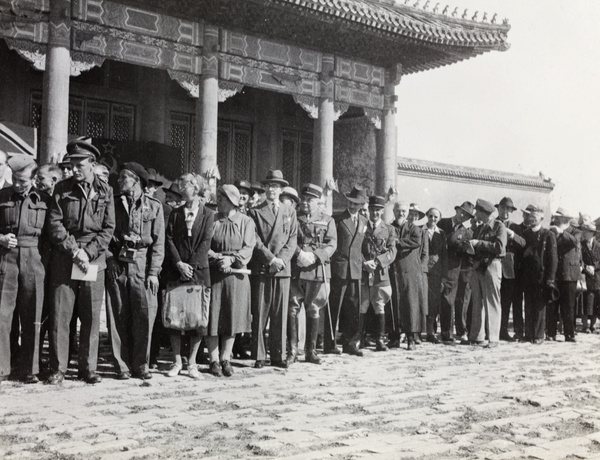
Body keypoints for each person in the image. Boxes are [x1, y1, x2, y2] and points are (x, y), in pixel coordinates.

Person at [46, 139, 116, 384]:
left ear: (92, 164)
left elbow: (108, 228)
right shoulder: (61, 189)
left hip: (93, 258)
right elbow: (54, 225)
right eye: (71, 164)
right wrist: (75, 251)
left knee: (90, 317)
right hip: (66, 257)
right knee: (60, 316)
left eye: (79, 164)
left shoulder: (106, 191)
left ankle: (88, 368)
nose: (74, 169)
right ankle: (58, 369)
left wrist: (88, 253)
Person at [105, 163, 165, 380]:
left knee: (144, 315)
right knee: (117, 314)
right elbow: (105, 235)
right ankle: (121, 365)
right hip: (118, 265)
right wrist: (110, 259)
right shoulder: (112, 204)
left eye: (123, 178)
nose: (119, 182)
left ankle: (141, 364)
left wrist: (153, 272)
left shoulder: (154, 206)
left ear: (136, 180)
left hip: (143, 265)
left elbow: (158, 244)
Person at [0, 156, 50, 384]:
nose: (17, 184)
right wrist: (0, 238)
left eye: (22, 180)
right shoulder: (2, 196)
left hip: (34, 260)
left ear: (32, 179)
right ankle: (3, 367)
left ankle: (30, 369)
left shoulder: (46, 200)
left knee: (32, 316)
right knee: (3, 316)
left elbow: (51, 235)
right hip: (6, 260)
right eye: (14, 179)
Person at [163, 173, 214, 378]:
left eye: (185, 185)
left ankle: (192, 362)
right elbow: (169, 239)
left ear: (196, 188)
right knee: (174, 317)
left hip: (199, 272)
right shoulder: (175, 214)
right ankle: (176, 361)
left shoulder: (208, 214)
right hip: (176, 271)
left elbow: (206, 241)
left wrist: (190, 266)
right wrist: (178, 264)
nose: (182, 189)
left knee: (197, 318)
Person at [248, 170, 297, 368]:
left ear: (281, 189)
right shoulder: (255, 211)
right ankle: (259, 355)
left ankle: (278, 355)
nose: (271, 190)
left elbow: (292, 239)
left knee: (280, 313)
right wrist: (270, 259)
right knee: (260, 312)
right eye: (268, 186)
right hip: (263, 266)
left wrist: (282, 260)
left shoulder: (289, 211)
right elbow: (255, 240)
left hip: (282, 269)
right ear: (264, 189)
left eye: (275, 186)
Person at [206, 185, 256, 377]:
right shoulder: (211, 219)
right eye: (218, 197)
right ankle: (213, 359)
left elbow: (248, 247)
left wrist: (232, 259)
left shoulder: (246, 222)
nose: (219, 201)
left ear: (234, 202)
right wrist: (218, 258)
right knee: (213, 316)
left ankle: (226, 357)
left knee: (231, 317)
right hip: (215, 273)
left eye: (223, 198)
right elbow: (204, 244)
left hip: (236, 275)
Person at [287, 183, 336, 366]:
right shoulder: (294, 217)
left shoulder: (327, 220)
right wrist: (299, 253)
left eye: (310, 200)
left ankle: (311, 350)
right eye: (304, 199)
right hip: (296, 268)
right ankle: (292, 350)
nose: (306, 203)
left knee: (314, 308)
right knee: (292, 307)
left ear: (318, 201)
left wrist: (315, 256)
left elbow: (332, 244)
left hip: (316, 270)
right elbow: (289, 238)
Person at [326, 185, 368, 356]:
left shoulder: (364, 222)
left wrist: (366, 262)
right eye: (350, 202)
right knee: (334, 307)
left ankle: (350, 343)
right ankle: (330, 344)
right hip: (340, 269)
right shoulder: (337, 219)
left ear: (361, 205)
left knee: (353, 308)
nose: (352, 206)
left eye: (356, 204)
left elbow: (362, 248)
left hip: (356, 270)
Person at [466, 199, 507, 348]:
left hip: (492, 266)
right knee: (477, 302)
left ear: (485, 213)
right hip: (478, 266)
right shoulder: (481, 228)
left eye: (478, 212)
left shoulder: (499, 226)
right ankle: (477, 336)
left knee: (492, 302)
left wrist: (478, 243)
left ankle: (494, 338)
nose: (476, 214)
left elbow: (500, 248)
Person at [360, 196, 396, 351]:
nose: (374, 213)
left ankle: (379, 339)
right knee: (362, 304)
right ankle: (359, 339)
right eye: (372, 209)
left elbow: (392, 250)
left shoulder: (389, 229)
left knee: (379, 305)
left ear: (382, 211)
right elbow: (356, 248)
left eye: (377, 210)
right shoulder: (361, 226)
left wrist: (378, 262)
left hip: (380, 273)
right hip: (364, 271)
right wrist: (363, 262)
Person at [438, 201, 475, 344]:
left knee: (448, 300)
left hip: (453, 269)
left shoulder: (465, 232)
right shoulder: (442, 223)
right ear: (457, 210)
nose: (463, 216)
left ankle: (447, 333)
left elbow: (465, 253)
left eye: (466, 216)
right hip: (437, 267)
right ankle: (431, 330)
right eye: (462, 212)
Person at [521, 204, 557, 344]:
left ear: (542, 218)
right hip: (528, 276)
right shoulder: (526, 234)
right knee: (528, 305)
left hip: (541, 277)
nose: (533, 219)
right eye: (531, 216)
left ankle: (538, 335)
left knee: (540, 307)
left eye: (536, 216)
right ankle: (528, 333)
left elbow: (553, 259)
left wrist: (550, 278)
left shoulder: (548, 235)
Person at [391, 202, 424, 350]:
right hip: (393, 271)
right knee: (394, 304)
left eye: (404, 211)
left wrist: (398, 242)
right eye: (398, 211)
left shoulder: (414, 228)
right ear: (393, 211)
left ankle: (411, 337)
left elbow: (416, 242)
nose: (401, 214)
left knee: (410, 304)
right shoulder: (389, 227)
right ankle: (394, 337)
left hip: (410, 272)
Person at [494, 197, 526, 341]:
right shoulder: (492, 224)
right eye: (503, 209)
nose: (505, 212)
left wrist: (511, 234)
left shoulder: (515, 227)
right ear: (498, 209)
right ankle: (495, 331)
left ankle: (510, 331)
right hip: (493, 266)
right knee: (495, 301)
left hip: (510, 269)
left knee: (509, 301)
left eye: (508, 210)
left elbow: (523, 244)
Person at [548, 208, 580, 342]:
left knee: (568, 306)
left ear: (564, 219)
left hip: (569, 274)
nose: (555, 219)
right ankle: (551, 333)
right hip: (555, 272)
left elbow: (574, 242)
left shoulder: (575, 231)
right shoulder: (551, 231)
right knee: (552, 304)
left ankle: (569, 334)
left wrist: (561, 232)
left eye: (558, 217)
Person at [425, 208, 446, 343]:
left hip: (436, 272)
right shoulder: (420, 230)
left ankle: (431, 332)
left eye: (436, 217)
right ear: (427, 216)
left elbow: (444, 256)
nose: (433, 219)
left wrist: (444, 275)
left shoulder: (442, 234)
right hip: (422, 270)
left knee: (433, 302)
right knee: (422, 301)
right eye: (431, 216)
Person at [408, 203, 428, 342]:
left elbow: (425, 253)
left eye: (416, 215)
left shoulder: (421, 232)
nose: (413, 217)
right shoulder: (400, 228)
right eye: (411, 214)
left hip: (417, 271)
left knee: (417, 303)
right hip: (404, 270)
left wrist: (420, 269)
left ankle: (416, 334)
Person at [581, 222, 600, 332]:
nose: (584, 234)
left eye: (587, 232)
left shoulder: (598, 246)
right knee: (586, 300)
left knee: (596, 301)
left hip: (597, 276)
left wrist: (594, 266)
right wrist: (586, 267)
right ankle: (585, 325)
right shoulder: (581, 245)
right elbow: (579, 259)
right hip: (586, 276)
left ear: (592, 233)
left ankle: (593, 325)